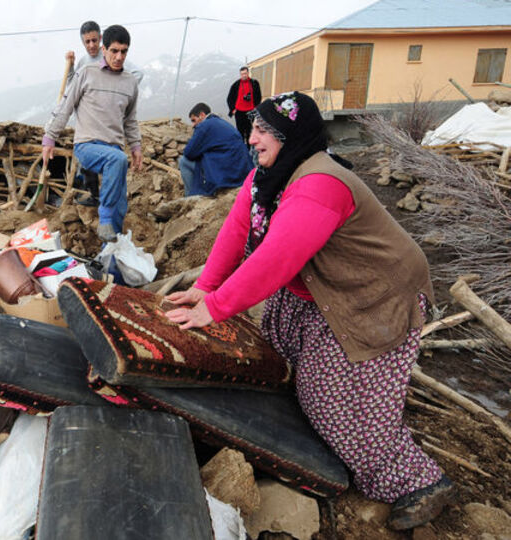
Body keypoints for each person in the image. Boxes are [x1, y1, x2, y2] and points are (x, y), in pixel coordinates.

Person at [164, 91, 453, 531]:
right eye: (254, 128)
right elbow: (239, 225)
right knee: (277, 340)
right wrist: (205, 287)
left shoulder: (320, 184)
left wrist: (216, 308)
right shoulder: (269, 176)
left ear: (292, 137)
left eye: (265, 131)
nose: (253, 139)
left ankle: (416, 481)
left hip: (372, 295)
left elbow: (276, 259)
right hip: (322, 289)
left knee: (335, 404)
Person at [43, 25, 142, 242]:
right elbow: (66, 105)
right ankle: (103, 215)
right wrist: (50, 136)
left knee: (120, 205)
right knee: (117, 161)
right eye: (114, 51)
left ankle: (110, 258)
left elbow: (130, 120)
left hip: (113, 148)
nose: (119, 57)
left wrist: (135, 146)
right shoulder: (87, 73)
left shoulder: (130, 82)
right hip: (87, 145)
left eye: (124, 51)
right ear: (104, 49)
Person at [178, 103, 252, 197]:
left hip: (227, 171)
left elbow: (189, 153)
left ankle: (190, 197)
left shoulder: (204, 126)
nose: (193, 125)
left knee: (183, 161)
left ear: (201, 115)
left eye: (194, 120)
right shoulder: (221, 122)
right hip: (241, 170)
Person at [226, 67, 262, 143]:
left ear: (248, 73)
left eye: (245, 73)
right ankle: (241, 149)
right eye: (242, 74)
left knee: (250, 131)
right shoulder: (236, 85)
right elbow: (229, 98)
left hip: (251, 111)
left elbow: (259, 96)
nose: (244, 75)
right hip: (239, 112)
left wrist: (256, 107)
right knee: (240, 132)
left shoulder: (254, 83)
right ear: (240, 75)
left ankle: (250, 150)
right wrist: (233, 109)